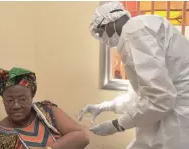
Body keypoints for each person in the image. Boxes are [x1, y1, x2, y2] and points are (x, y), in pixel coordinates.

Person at [78, 1, 189, 149]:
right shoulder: (140, 27)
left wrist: (117, 125)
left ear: (109, 22)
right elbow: (140, 96)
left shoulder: (134, 34)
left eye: (100, 32)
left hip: (176, 120)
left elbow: (161, 98)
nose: (103, 39)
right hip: (167, 115)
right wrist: (104, 107)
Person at [0, 67, 89, 149]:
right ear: (3, 101)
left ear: (32, 97)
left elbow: (82, 137)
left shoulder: (47, 112)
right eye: (10, 100)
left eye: (23, 99)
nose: (16, 105)